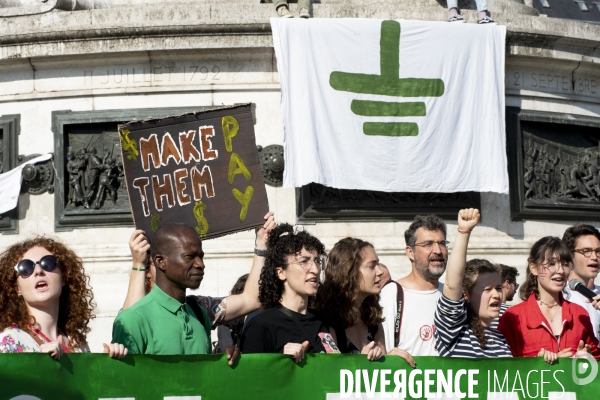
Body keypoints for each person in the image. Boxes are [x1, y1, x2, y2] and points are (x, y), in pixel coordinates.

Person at [112, 212, 275, 361]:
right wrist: (138, 264)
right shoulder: (132, 319)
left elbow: (250, 299)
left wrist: (261, 245)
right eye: (189, 257)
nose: (200, 264)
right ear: (160, 262)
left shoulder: (200, 312)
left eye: (201, 257)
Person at [0, 237, 127, 359]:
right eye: (25, 268)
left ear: (64, 278)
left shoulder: (76, 342)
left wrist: (105, 363)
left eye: (48, 263)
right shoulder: (9, 340)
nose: (38, 271)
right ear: (16, 288)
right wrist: (39, 363)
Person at [241, 223, 339, 363]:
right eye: (304, 261)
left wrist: (363, 359)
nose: (315, 270)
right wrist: (280, 360)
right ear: (281, 272)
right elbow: (249, 379)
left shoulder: (324, 321)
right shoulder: (261, 326)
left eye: (317, 261)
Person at [498, 236, 600, 363]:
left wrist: (587, 358)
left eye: (565, 264)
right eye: (551, 264)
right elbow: (502, 368)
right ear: (534, 268)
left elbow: (596, 362)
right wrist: (540, 364)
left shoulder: (580, 314)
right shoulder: (514, 316)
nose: (561, 271)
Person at [317, 237, 415, 365]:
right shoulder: (325, 320)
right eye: (371, 266)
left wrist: (389, 360)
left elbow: (380, 374)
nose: (380, 272)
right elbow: (330, 373)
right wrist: (361, 364)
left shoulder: (372, 318)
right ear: (349, 271)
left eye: (378, 264)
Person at [434, 208, 512, 358]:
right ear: (466, 295)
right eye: (487, 289)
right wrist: (464, 231)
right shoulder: (453, 331)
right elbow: (452, 283)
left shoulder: (501, 340)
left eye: (498, 288)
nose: (496, 295)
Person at [380, 214, 447, 355]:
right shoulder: (392, 293)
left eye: (442, 243)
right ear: (410, 252)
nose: (438, 251)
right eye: (428, 244)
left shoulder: (451, 296)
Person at [563, 224, 600, 340]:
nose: (594, 257)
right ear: (569, 255)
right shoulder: (560, 296)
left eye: (598, 251)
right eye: (586, 251)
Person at [489, 264, 519, 329]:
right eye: (515, 285)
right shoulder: (512, 312)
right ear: (507, 284)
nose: (515, 290)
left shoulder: (483, 310)